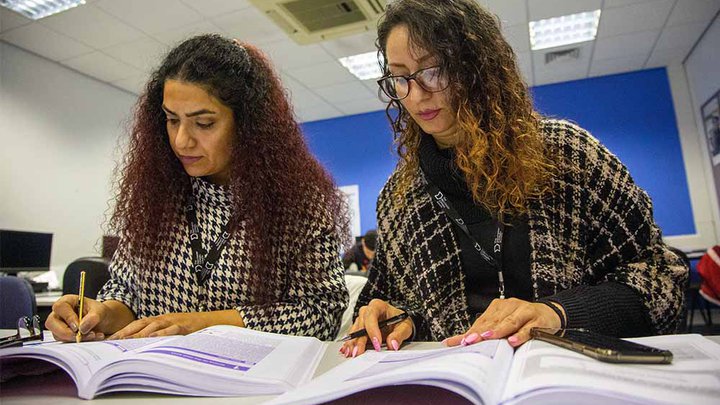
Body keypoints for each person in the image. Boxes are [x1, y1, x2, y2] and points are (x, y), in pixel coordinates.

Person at [341, 0, 687, 357]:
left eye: (435, 71)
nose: (416, 95)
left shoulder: (569, 156)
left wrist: (556, 313)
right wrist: (397, 318)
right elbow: (394, 304)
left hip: (570, 376)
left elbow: (663, 284)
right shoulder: (400, 198)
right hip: (458, 382)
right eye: (401, 78)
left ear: (477, 69)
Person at [46, 34, 349, 342]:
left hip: (249, 384)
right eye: (171, 120)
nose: (181, 141)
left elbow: (321, 312)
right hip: (150, 377)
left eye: (203, 124)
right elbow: (127, 293)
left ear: (249, 124)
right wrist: (101, 314)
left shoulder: (299, 205)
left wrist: (204, 324)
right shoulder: (156, 193)